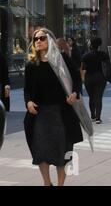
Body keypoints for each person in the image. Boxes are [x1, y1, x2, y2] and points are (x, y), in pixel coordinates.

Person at [23, 28, 83, 186]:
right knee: (40, 152)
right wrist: (28, 102)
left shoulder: (62, 59)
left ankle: (60, 184)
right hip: (40, 114)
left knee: (61, 152)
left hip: (60, 112)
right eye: (35, 39)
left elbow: (77, 77)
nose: (38, 41)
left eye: (42, 38)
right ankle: (47, 183)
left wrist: (75, 93)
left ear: (49, 40)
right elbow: (27, 90)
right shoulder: (31, 65)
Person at [81, 37, 109, 124]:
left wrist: (82, 79)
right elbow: (108, 66)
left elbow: (82, 68)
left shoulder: (86, 55)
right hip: (100, 77)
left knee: (91, 97)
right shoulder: (103, 54)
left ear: (91, 45)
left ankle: (92, 115)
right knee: (98, 97)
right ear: (99, 44)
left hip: (89, 78)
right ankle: (98, 118)